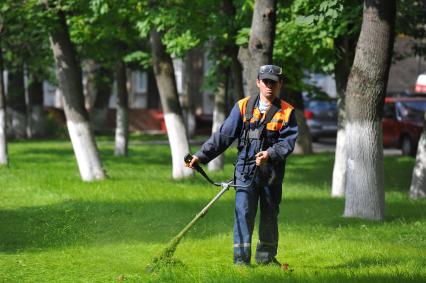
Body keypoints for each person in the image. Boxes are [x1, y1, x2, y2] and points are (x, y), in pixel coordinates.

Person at [187, 64, 298, 266]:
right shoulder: (243, 106)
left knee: (270, 216)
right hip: (245, 173)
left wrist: (270, 153)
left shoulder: (287, 112)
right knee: (243, 214)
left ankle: (266, 260)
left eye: (274, 82)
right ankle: (240, 262)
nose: (269, 86)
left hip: (271, 174)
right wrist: (201, 156)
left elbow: (287, 143)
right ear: (258, 82)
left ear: (280, 83)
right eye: (265, 81)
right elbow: (223, 136)